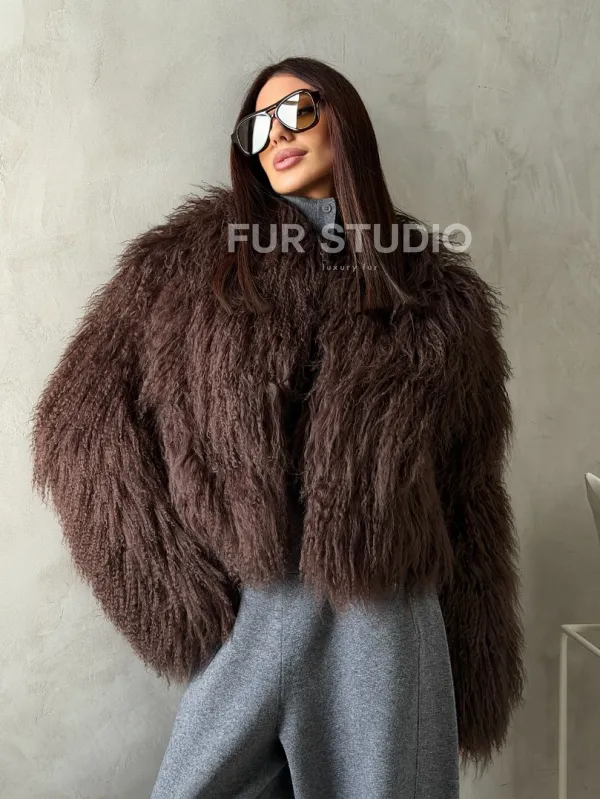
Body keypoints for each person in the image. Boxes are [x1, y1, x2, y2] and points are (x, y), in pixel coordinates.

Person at [30, 56, 526, 798]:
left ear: (343, 121)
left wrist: (473, 677)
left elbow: (469, 498)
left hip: (387, 627)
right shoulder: (191, 267)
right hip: (255, 616)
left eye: (296, 112)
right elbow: (79, 429)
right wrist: (180, 599)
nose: (276, 136)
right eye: (257, 127)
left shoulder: (437, 298)